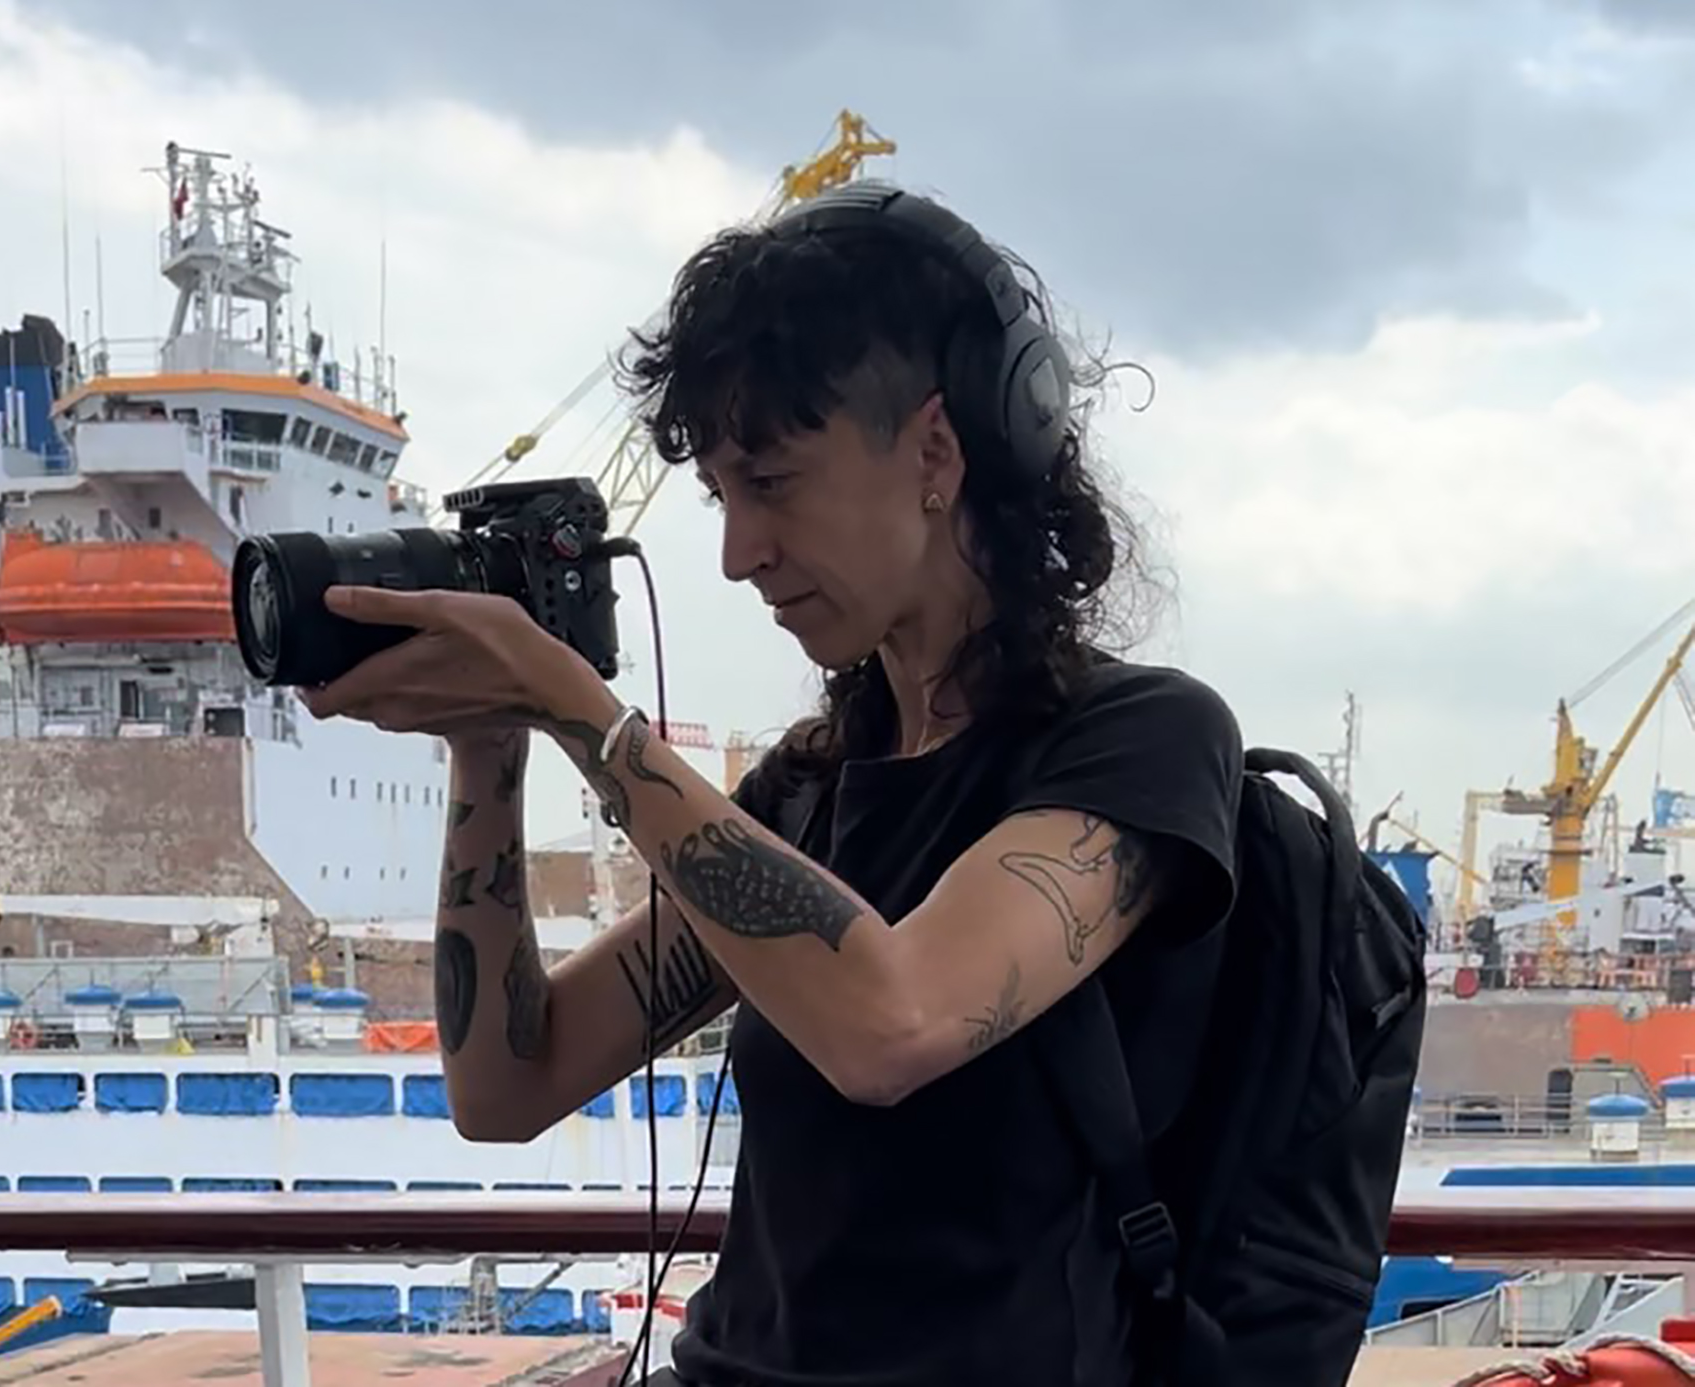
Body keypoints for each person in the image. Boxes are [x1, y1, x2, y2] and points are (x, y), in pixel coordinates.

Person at [299, 181, 1245, 1387]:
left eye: (774, 482)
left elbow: (893, 1022)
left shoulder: (1142, 741)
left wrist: (582, 712)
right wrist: (490, 749)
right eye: (722, 499)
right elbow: (506, 1084)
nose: (740, 553)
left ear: (938, 452)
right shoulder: (807, 793)